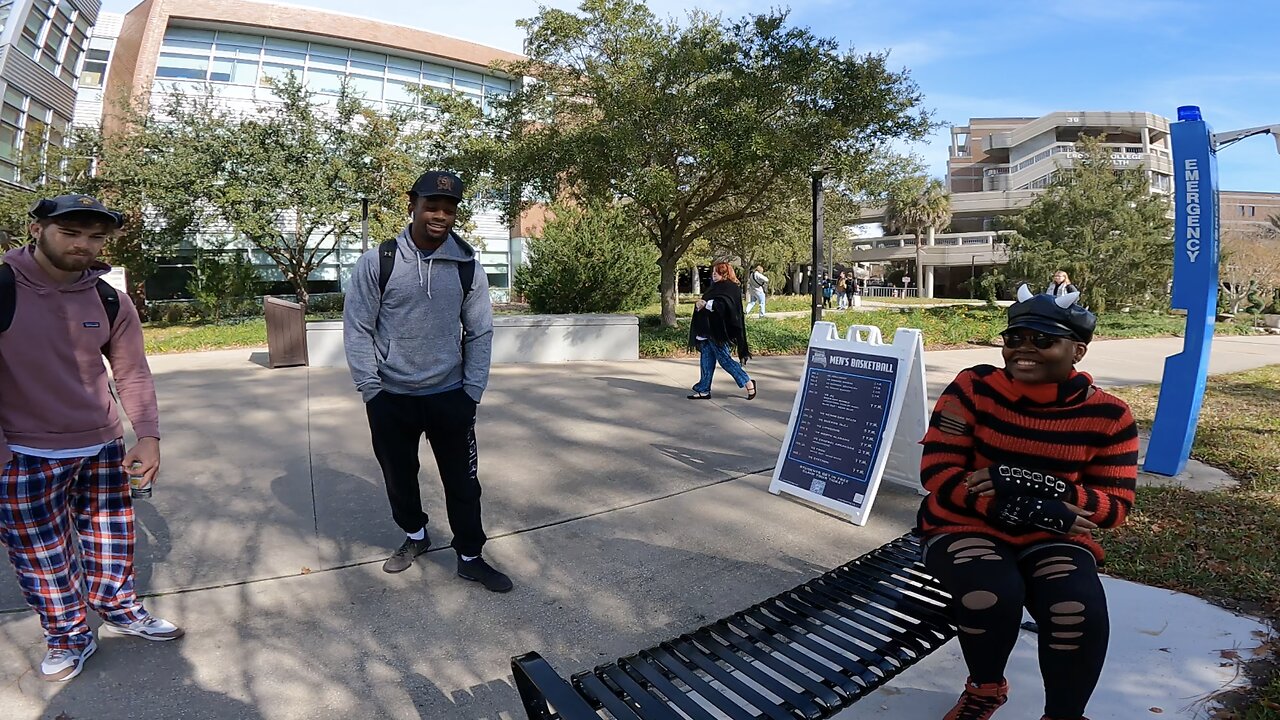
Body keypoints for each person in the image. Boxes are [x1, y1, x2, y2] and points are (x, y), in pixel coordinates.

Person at [915, 284, 1138, 720]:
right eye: (1013, 338)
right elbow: (938, 471)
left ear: (1077, 351)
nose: (1023, 349)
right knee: (991, 592)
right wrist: (1005, 507)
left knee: (1077, 607)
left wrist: (1027, 484)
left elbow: (1112, 509)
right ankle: (985, 688)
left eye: (1042, 340)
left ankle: (1064, 714)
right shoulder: (973, 387)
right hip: (965, 524)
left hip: (1052, 534)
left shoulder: (1110, 416)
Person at [0, 195, 183, 683]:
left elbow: (132, 372)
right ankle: (67, 635)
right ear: (37, 229)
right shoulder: (3, 287)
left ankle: (119, 609)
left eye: (96, 236)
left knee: (111, 540)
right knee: (44, 557)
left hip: (100, 447)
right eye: (70, 232)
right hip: (23, 453)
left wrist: (147, 435)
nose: (84, 245)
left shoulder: (106, 297)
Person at [343, 170, 512, 593]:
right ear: (413, 204)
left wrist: (472, 390)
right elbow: (357, 328)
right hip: (391, 398)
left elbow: (480, 331)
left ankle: (470, 556)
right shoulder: (378, 262)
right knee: (399, 476)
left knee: (463, 483)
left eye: (449, 208)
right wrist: (371, 389)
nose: (440, 214)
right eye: (432, 205)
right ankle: (415, 535)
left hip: (449, 396)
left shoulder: (468, 266)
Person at [687, 262, 756, 401]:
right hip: (706, 329)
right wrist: (700, 304)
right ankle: (704, 389)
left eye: (717, 272)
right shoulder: (714, 287)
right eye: (713, 271)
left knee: (725, 360)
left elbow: (727, 308)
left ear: (724, 273)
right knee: (706, 359)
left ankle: (747, 381)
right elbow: (707, 303)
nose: (714, 274)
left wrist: (707, 304)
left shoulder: (731, 288)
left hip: (719, 332)